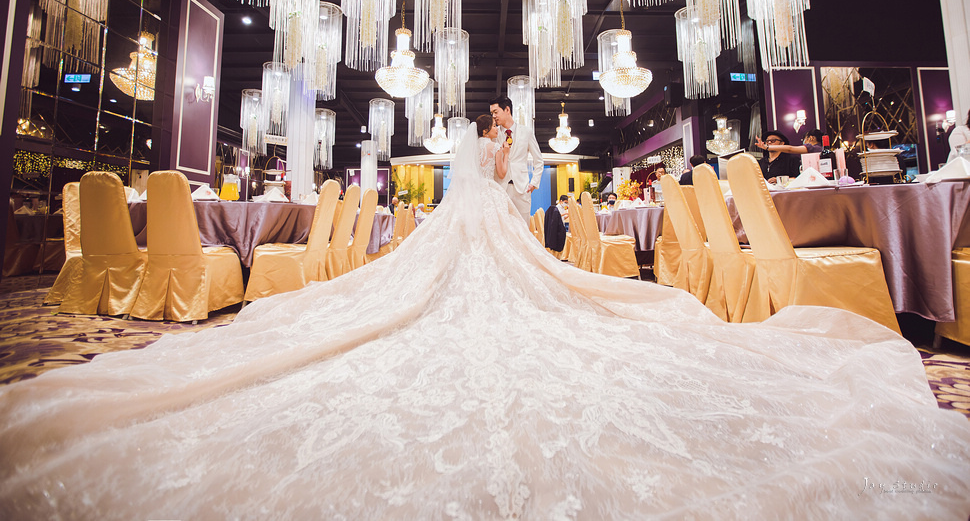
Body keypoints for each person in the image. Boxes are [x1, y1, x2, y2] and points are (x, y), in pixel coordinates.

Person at [1, 115, 969, 519]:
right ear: (494, 130)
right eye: (503, 130)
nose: (504, 134)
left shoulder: (470, 149)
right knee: (499, 280)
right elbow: (506, 194)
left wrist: (501, 185)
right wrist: (513, 179)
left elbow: (495, 192)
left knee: (481, 279)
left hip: (470, 220)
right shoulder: (496, 151)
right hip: (483, 221)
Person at [490, 96, 544, 223]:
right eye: (491, 113)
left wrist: (534, 183)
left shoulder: (526, 132)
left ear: (507, 110)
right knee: (502, 228)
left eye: (496, 112)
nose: (493, 116)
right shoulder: (493, 134)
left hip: (522, 189)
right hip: (500, 188)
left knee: (523, 227)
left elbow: (539, 160)